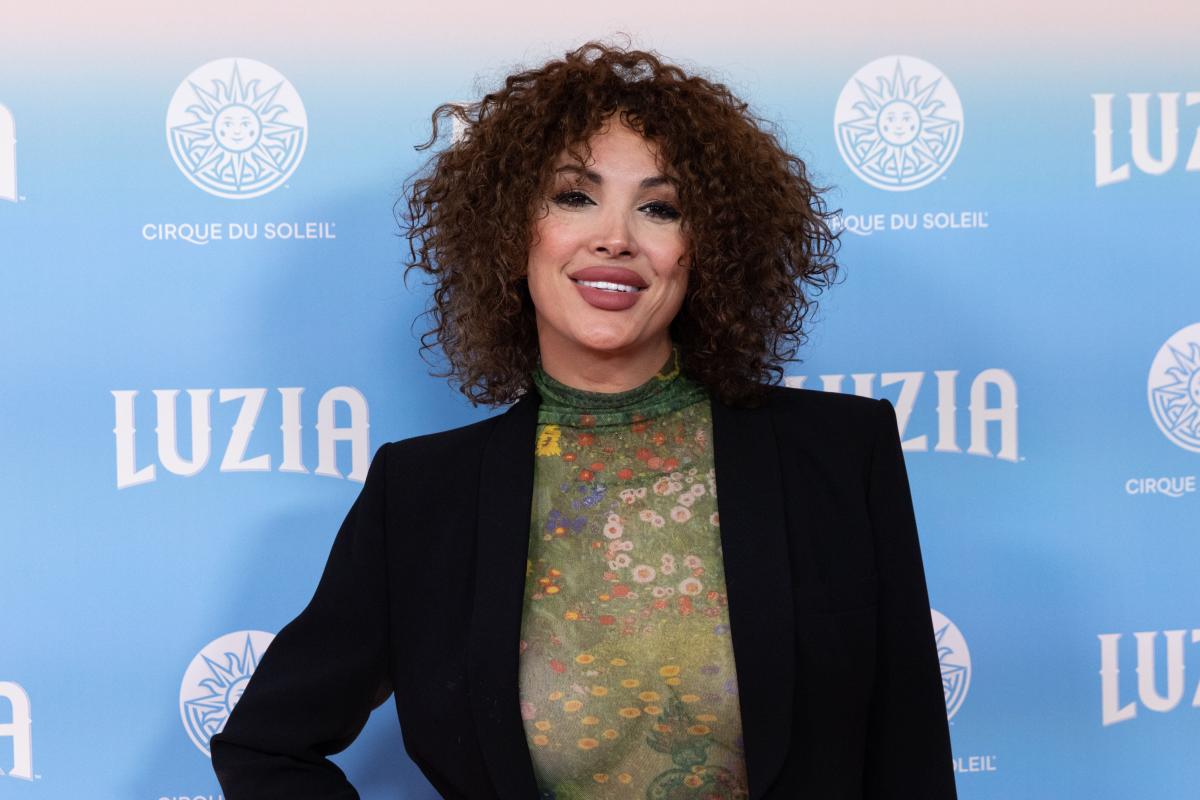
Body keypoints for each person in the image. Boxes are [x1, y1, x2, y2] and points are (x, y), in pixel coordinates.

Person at [211, 41, 956, 799]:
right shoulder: (422, 495)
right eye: (575, 197)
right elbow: (265, 747)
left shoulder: (839, 453)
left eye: (660, 208)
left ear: (705, 251)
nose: (616, 237)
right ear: (511, 233)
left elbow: (910, 758)